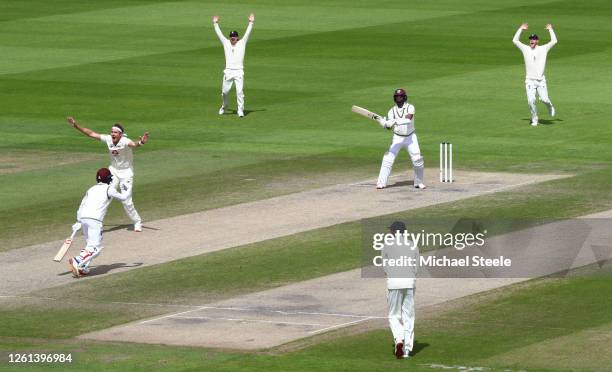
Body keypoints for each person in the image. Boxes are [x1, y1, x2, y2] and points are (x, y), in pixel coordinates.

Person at [67, 117, 148, 232]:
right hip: (113, 171)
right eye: (112, 132)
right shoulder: (108, 139)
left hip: (126, 173)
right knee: (105, 195)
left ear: (121, 134)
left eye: (115, 132)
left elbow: (134, 145)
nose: (113, 134)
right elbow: (91, 134)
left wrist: (141, 142)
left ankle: (137, 221)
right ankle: (90, 220)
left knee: (126, 201)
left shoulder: (125, 141)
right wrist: (76, 126)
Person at [68, 168, 132, 277]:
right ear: (108, 179)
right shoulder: (109, 189)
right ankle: (78, 260)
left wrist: (78, 221)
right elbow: (124, 197)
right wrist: (128, 188)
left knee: (90, 245)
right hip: (95, 221)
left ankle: (83, 267)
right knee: (96, 248)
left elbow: (82, 205)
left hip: (84, 218)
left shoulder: (91, 189)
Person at [382, 221, 419, 359]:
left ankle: (398, 340)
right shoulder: (412, 244)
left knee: (393, 315)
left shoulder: (387, 245)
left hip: (394, 283)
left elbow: (385, 267)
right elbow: (416, 266)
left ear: (393, 232)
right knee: (408, 316)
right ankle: (408, 350)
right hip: (409, 282)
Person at [376, 89, 426, 189]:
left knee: (417, 159)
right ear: (395, 98)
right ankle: (381, 183)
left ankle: (418, 182)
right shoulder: (391, 111)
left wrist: (394, 121)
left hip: (410, 137)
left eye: (401, 96)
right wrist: (384, 124)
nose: (399, 98)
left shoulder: (410, 107)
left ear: (404, 97)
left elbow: (408, 119)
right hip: (397, 138)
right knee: (387, 159)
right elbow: (389, 127)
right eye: (397, 97)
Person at [512, 23, 557, 126]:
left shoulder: (543, 49)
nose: (532, 40)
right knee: (531, 100)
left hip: (541, 80)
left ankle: (550, 106)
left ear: (537, 41)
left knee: (544, 99)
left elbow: (554, 41)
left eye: (534, 39)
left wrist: (550, 29)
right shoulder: (525, 49)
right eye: (531, 39)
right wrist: (521, 29)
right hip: (530, 80)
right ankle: (535, 118)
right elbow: (515, 40)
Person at [213, 13, 255, 117]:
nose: (233, 39)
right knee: (225, 92)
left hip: (239, 71)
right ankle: (224, 106)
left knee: (239, 92)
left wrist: (251, 22)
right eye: (231, 37)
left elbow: (248, 33)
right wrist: (215, 23)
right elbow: (219, 34)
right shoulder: (226, 43)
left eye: (234, 37)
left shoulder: (242, 43)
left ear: (237, 38)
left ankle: (240, 110)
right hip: (228, 71)